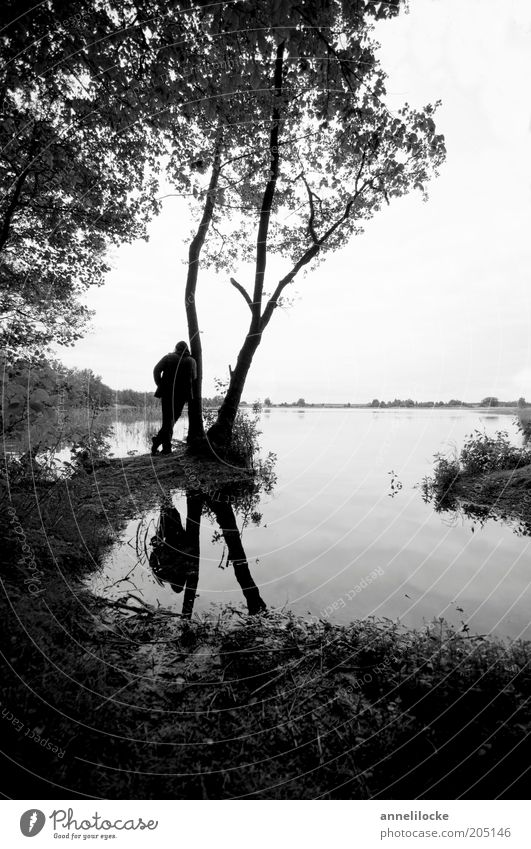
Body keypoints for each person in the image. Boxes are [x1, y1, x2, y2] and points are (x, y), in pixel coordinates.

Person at [151, 341, 196, 455]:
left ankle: (159, 443)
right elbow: (194, 377)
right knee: (171, 421)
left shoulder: (168, 357)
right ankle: (165, 448)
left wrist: (160, 384)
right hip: (181, 396)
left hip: (167, 394)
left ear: (176, 348)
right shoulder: (192, 361)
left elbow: (156, 370)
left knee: (167, 421)